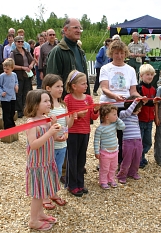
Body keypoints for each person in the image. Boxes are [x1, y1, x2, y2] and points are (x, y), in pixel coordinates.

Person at [99, 39, 140, 165]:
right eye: (116, 53)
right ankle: (104, 162)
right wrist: (114, 96)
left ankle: (120, 162)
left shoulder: (131, 69)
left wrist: (143, 99)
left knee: (123, 136)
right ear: (111, 53)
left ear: (126, 54)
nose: (119, 56)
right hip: (108, 106)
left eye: (122, 53)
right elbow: (104, 88)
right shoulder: (106, 68)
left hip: (125, 107)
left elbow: (133, 91)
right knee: (107, 135)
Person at [24, 89, 60, 231]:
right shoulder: (31, 122)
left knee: (43, 190)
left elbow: (54, 138)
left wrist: (53, 127)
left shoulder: (46, 119)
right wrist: (50, 131)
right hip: (37, 163)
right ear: (35, 104)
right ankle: (33, 221)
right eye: (45, 101)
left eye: (49, 100)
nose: (49, 103)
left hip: (46, 161)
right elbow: (33, 145)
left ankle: (39, 214)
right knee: (37, 195)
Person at [41, 74, 75, 209]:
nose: (61, 89)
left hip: (62, 145)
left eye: (61, 86)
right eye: (57, 86)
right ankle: (44, 196)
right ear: (48, 88)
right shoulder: (46, 108)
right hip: (49, 146)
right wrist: (54, 134)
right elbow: (42, 128)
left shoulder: (63, 105)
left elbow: (67, 125)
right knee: (47, 171)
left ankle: (53, 193)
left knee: (58, 171)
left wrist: (71, 118)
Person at [64, 70, 99, 197]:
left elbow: (93, 117)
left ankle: (80, 182)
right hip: (73, 132)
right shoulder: (68, 99)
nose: (86, 86)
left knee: (81, 159)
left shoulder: (89, 98)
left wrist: (95, 110)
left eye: (86, 83)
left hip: (85, 132)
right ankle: (71, 184)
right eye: (83, 84)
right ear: (74, 86)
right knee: (72, 159)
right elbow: (65, 117)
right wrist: (77, 115)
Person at [46, 18, 90, 98]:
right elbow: (52, 81)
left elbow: (85, 78)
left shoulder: (80, 51)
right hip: (65, 102)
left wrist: (87, 98)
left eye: (80, 28)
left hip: (81, 100)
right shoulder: (57, 51)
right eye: (75, 28)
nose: (79, 30)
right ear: (65, 30)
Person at [94, 104, 125, 189]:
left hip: (115, 151)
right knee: (104, 168)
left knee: (113, 167)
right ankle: (103, 181)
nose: (116, 116)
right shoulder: (100, 129)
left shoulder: (114, 125)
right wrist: (96, 152)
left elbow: (123, 126)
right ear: (107, 117)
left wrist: (117, 119)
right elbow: (96, 141)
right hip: (105, 152)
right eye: (114, 114)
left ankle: (111, 179)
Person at [116, 96, 145, 184]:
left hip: (138, 140)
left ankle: (133, 172)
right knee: (127, 159)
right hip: (128, 141)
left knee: (137, 158)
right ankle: (122, 175)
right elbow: (129, 112)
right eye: (138, 108)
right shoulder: (123, 113)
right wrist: (135, 102)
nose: (140, 110)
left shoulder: (135, 116)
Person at [136, 64, 158, 169]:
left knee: (148, 142)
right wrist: (151, 102)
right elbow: (141, 103)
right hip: (140, 119)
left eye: (151, 75)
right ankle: (138, 158)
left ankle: (142, 156)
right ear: (141, 76)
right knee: (139, 141)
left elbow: (154, 103)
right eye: (147, 74)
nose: (149, 77)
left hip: (150, 120)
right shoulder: (139, 88)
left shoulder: (154, 89)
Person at [10, 36, 35, 118]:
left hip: (27, 75)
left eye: (22, 41)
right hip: (18, 75)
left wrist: (31, 65)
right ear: (15, 43)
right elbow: (11, 65)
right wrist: (22, 68)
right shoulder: (13, 53)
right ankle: (19, 110)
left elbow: (32, 60)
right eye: (18, 41)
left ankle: (26, 109)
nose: (20, 43)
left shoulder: (27, 51)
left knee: (27, 92)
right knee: (19, 93)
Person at [0, 58, 18, 129]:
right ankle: (7, 126)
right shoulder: (2, 76)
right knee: (6, 112)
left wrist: (16, 86)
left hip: (12, 96)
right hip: (4, 98)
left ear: (12, 68)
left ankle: (12, 124)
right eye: (4, 68)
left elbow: (16, 82)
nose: (5, 70)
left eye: (7, 69)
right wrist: (1, 92)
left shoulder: (14, 75)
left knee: (12, 112)